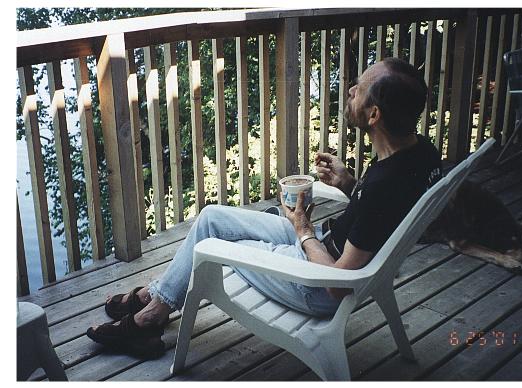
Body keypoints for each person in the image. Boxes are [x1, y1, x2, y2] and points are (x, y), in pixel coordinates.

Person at [86, 57, 442, 359]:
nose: (350, 90)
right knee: (211, 219)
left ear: (374, 113)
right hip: (329, 250)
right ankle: (154, 298)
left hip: (316, 281)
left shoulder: (384, 185)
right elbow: (379, 215)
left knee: (214, 248)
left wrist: (302, 228)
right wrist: (349, 185)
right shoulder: (420, 154)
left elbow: (337, 285)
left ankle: (148, 318)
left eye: (359, 88)